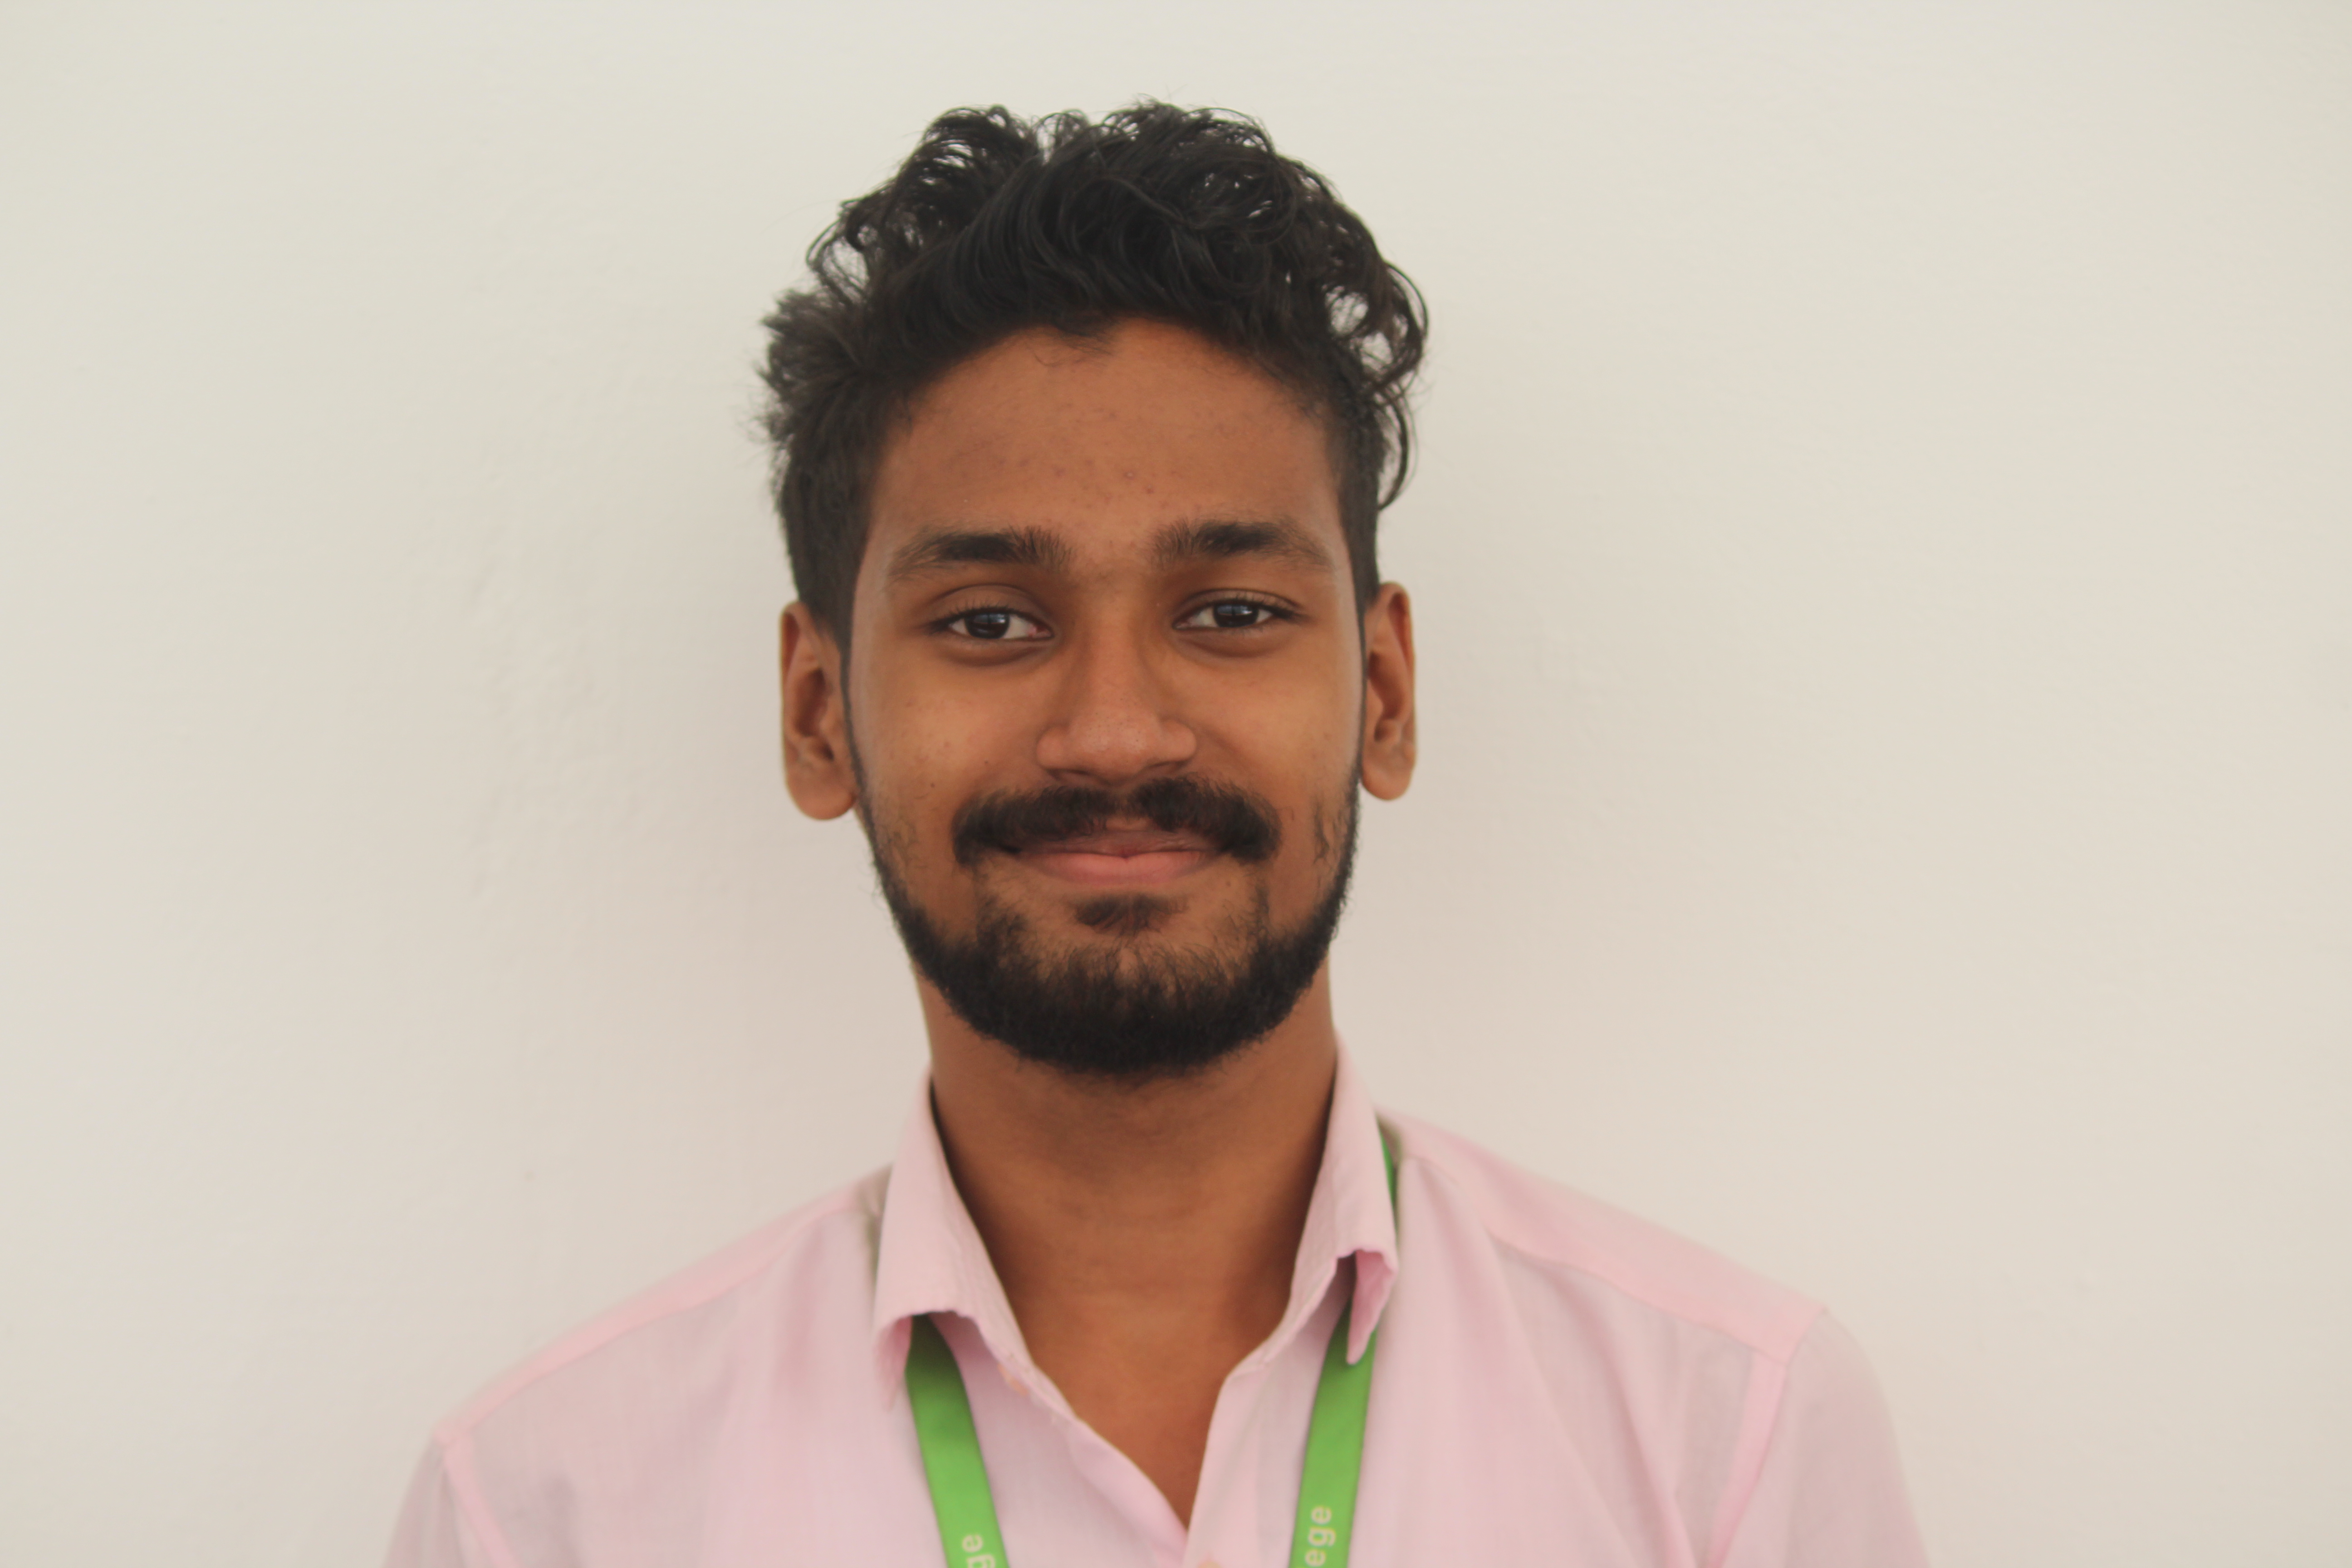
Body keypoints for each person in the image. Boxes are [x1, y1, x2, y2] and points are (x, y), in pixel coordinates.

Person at [385, 103, 1928, 1568]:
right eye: (991, 620)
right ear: (818, 715)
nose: (1118, 731)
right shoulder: (553, 1511)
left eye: (1232, 613)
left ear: (1384, 693)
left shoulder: (1727, 1436)